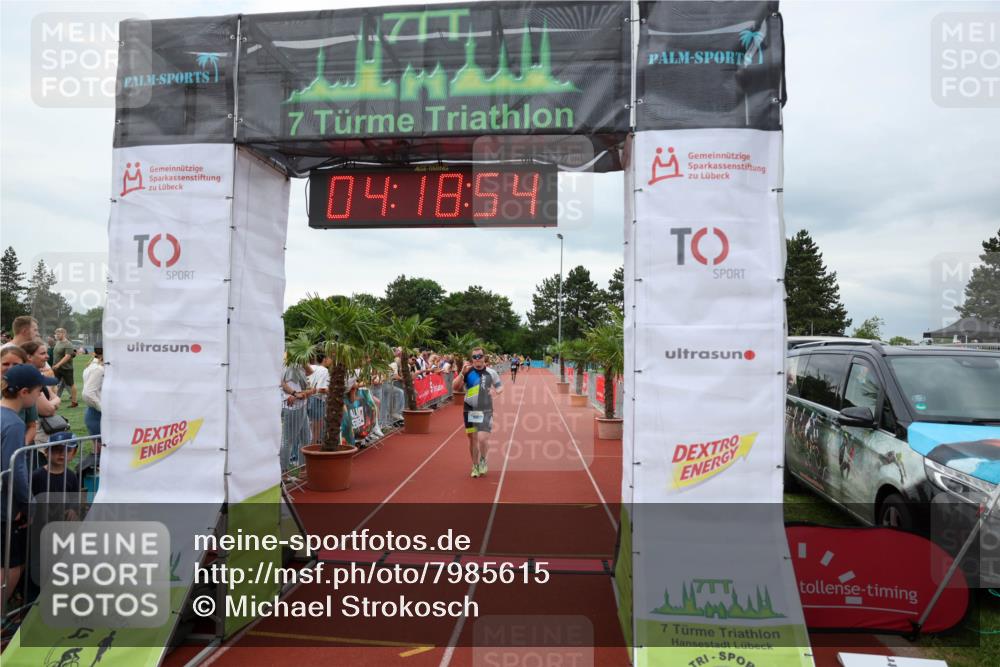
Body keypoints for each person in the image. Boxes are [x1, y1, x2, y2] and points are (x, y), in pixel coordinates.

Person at [1, 363, 58, 610]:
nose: (40, 396)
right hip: (6, 507)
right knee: (12, 563)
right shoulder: (13, 424)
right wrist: (28, 503)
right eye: (38, 392)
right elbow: (14, 468)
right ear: (24, 392)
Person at [452, 346, 503, 478]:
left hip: (486, 409)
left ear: (484, 357)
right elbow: (454, 387)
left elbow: (499, 387)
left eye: (479, 356)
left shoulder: (491, 373)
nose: (477, 359)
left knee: (482, 438)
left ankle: (483, 460)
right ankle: (475, 465)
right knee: (472, 439)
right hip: (470, 409)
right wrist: (462, 373)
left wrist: (495, 392)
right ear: (472, 359)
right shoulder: (467, 372)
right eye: (474, 357)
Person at [2, 347, 39, 445]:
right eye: (5, 364)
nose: (10, 368)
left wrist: (22, 444)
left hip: (20, 447)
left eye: (16, 364)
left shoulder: (27, 392)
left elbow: (32, 426)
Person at [82, 344, 104, 451]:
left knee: (98, 451)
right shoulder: (98, 369)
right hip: (97, 415)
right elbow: (88, 393)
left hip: (94, 413)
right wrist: (103, 409)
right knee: (100, 452)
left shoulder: (94, 366)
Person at [304, 354, 330, 445]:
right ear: (324, 359)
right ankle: (312, 450)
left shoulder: (309, 367)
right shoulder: (324, 370)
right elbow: (321, 389)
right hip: (317, 401)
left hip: (304, 399)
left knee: (305, 428)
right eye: (330, 357)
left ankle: (299, 453)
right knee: (316, 429)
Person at [51, 328, 78, 408]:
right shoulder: (58, 342)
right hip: (57, 368)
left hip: (66, 368)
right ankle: (54, 403)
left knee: (71, 384)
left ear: (64, 334)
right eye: (56, 334)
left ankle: (74, 402)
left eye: (58, 334)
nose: (57, 335)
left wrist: (58, 364)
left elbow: (67, 356)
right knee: (53, 384)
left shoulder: (68, 344)